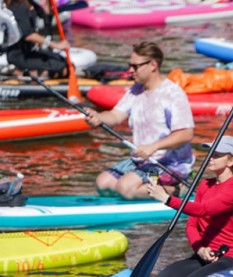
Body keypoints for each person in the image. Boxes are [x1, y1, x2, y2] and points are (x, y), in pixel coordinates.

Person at [84, 42, 195, 200]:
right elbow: (115, 116)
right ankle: (140, 191)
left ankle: (178, 190)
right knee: (103, 183)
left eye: (135, 66)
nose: (130, 70)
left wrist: (153, 147)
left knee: (125, 188)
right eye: (130, 65)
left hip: (170, 164)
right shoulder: (135, 90)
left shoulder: (173, 94)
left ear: (153, 65)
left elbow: (186, 133)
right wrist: (98, 117)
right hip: (142, 161)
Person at [146, 136, 233, 277]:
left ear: (231, 161)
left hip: (232, 260)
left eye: (216, 155)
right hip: (205, 256)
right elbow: (192, 225)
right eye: (210, 153)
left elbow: (203, 210)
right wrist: (200, 249)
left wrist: (167, 199)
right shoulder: (204, 185)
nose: (210, 157)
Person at [0, 0, 69, 77]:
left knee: (63, 61)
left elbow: (46, 14)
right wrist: (55, 45)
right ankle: (19, 72)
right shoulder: (16, 5)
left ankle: (40, 74)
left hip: (30, 52)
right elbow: (28, 35)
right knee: (58, 65)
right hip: (20, 56)